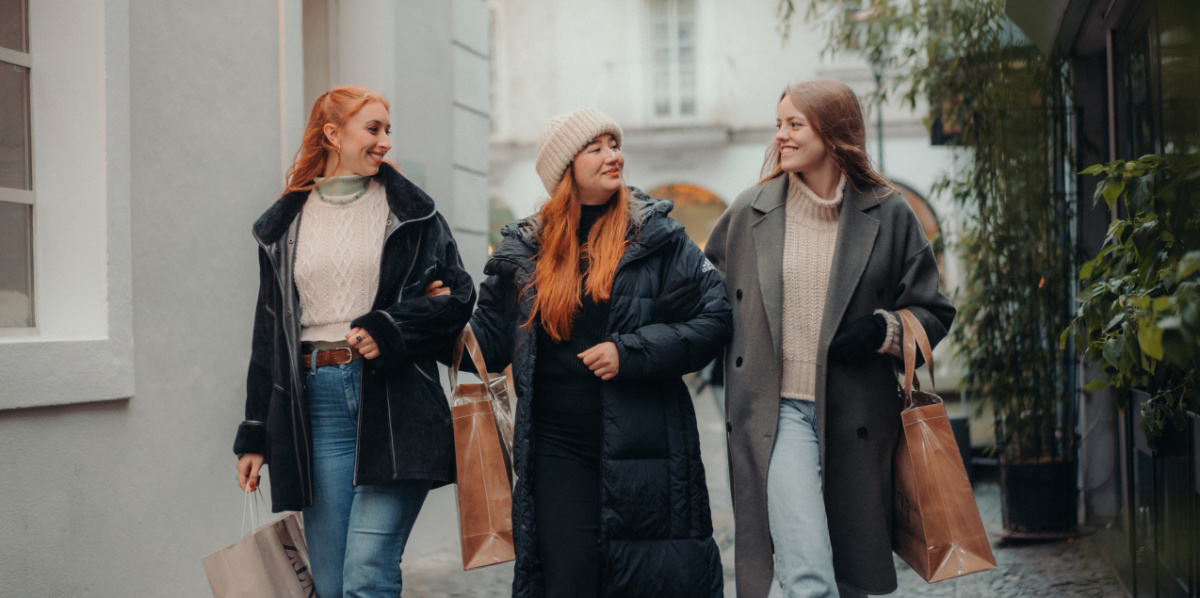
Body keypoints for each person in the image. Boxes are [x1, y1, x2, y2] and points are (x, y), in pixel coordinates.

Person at [461, 108, 730, 597]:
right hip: (557, 447)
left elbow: (714, 320)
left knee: (645, 580)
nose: (614, 156)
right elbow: (484, 344)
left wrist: (630, 353)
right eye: (597, 148)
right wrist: (431, 317)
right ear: (566, 168)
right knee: (569, 581)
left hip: (646, 442)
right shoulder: (525, 250)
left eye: (614, 144)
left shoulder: (658, 237)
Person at [704, 80, 955, 598]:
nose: (782, 136)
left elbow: (933, 309)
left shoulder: (889, 212)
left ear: (834, 131)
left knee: (849, 577)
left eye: (795, 124)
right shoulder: (751, 211)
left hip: (858, 414)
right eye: (779, 124)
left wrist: (882, 330)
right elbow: (702, 296)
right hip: (779, 416)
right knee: (809, 574)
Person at [232, 85, 476, 597]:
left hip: (394, 402)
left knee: (366, 572)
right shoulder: (285, 224)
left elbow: (458, 298)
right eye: (373, 129)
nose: (385, 141)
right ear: (332, 134)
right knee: (331, 581)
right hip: (314, 407)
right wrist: (255, 433)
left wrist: (391, 326)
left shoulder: (412, 213)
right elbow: (267, 333)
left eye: (388, 129)